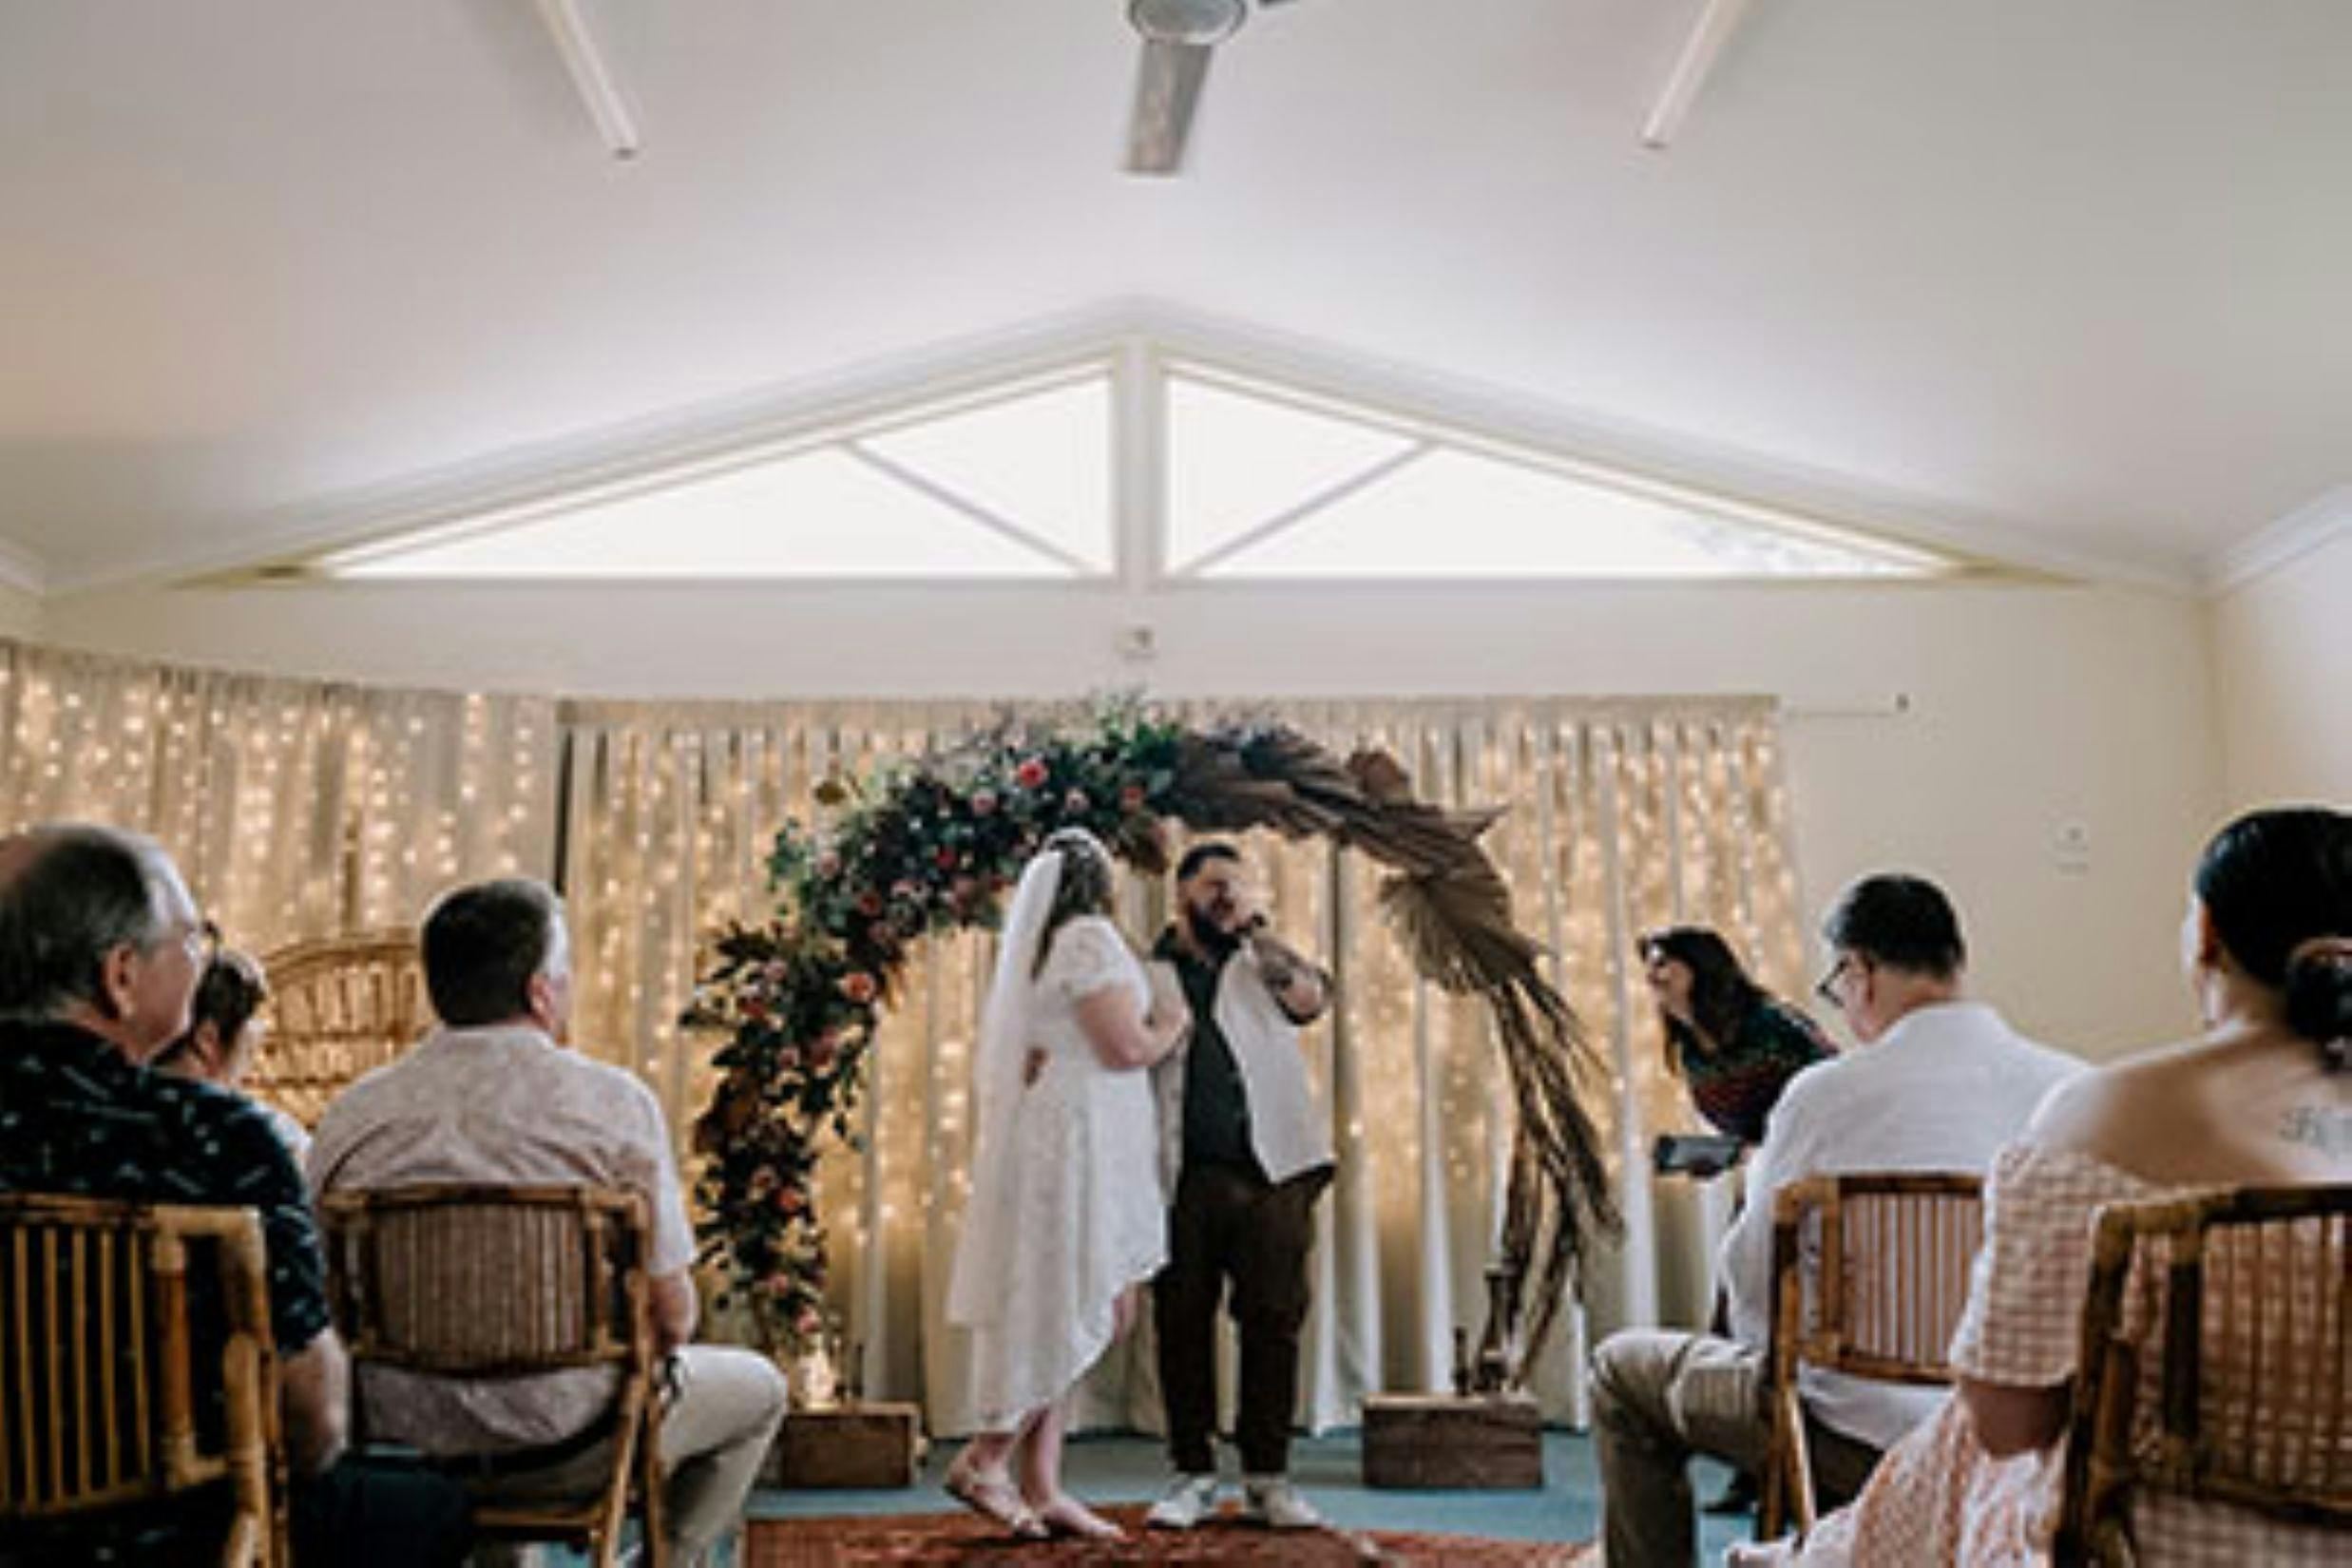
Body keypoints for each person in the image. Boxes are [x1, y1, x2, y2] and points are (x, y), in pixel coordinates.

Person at [1735, 807, 2351, 1566]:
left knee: (1965, 1438)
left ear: (2205, 938)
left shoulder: (2102, 1115)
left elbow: (2006, 1420)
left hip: (2146, 1548)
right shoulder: (2068, 1076)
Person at [0, 824, 469, 1567]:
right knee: (424, 1503)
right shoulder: (214, 1138)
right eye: (194, 938)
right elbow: (313, 1421)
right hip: (174, 1536)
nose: (203, 956)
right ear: (119, 976)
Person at [1591, 873, 2081, 1567]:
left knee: (1618, 1371)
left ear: (1859, 971)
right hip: (2015, 1451)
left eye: (1838, 983)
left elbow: (1752, 1280)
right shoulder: (2070, 1090)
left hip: (1847, 1440)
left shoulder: (1822, 1096)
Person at [308, 877, 787, 1568]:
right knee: (761, 1391)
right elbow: (673, 1317)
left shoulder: (353, 1116)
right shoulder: (613, 1106)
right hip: (575, 1448)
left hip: (405, 1450)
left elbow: (317, 1298)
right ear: (539, 992)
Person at [943, 828, 1190, 1540]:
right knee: (1088, 1305)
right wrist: (1171, 1023)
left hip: (1076, 1133)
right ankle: (987, 1459)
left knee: (1075, 1301)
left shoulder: (1040, 949)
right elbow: (1125, 1048)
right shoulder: (1088, 940)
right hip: (1080, 1142)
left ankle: (1043, 1484)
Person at [1143, 841, 1337, 1533]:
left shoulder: (1266, 963)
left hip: (1273, 1174)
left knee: (1273, 1323)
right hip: (1181, 1177)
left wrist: (1258, 931)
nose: (1225, 896)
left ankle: (1267, 1477)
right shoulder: (1149, 969)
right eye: (1212, 886)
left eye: (1237, 885)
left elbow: (1310, 1001)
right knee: (1181, 1325)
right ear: (1182, 893)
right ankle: (1190, 1473)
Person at [1641, 926, 1835, 1151]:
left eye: (1661, 964)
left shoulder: (1772, 1024)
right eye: (1648, 967)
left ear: (1699, 965)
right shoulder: (1691, 1052)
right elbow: (1751, 1137)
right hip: (1775, 1173)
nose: (1650, 977)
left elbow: (1831, 1089)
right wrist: (1721, 1155)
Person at [152, 941, 313, 1164]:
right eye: (251, 1027)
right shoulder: (269, 1136)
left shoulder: (108, 1122)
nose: (258, 1046)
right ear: (207, 1040)